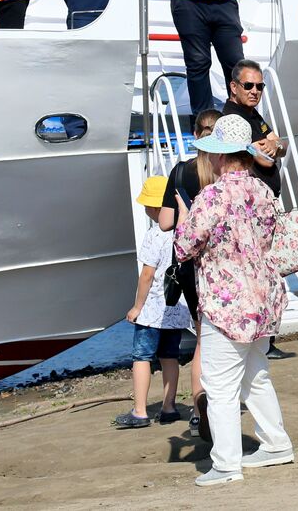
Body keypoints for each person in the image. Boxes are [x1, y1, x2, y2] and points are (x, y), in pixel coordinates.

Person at [175, 114, 294, 487]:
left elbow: (184, 246)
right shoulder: (263, 191)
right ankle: (275, 443)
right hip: (262, 297)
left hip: (226, 302)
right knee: (255, 375)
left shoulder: (211, 195)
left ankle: (226, 464)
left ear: (221, 156)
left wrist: (183, 218)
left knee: (221, 385)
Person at [159, 108, 221, 441]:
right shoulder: (224, 170)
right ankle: (219, 402)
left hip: (187, 264)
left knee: (201, 337)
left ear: (196, 135)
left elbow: (166, 223)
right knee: (221, 336)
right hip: (219, 262)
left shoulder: (181, 172)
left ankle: (198, 411)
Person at [115, 176, 191, 429]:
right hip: (177, 308)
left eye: (147, 205)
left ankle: (140, 411)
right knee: (170, 357)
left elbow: (147, 275)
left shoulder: (155, 234)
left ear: (157, 207)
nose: (145, 209)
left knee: (142, 357)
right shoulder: (184, 230)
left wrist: (137, 307)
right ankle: (169, 407)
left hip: (153, 311)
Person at [220, 60, 284, 197]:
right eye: (248, 86)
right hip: (250, 199)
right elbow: (266, 160)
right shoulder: (234, 117)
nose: (254, 91)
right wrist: (275, 146)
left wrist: (274, 144)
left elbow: (283, 145)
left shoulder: (251, 113)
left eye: (260, 87)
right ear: (234, 87)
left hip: (263, 198)